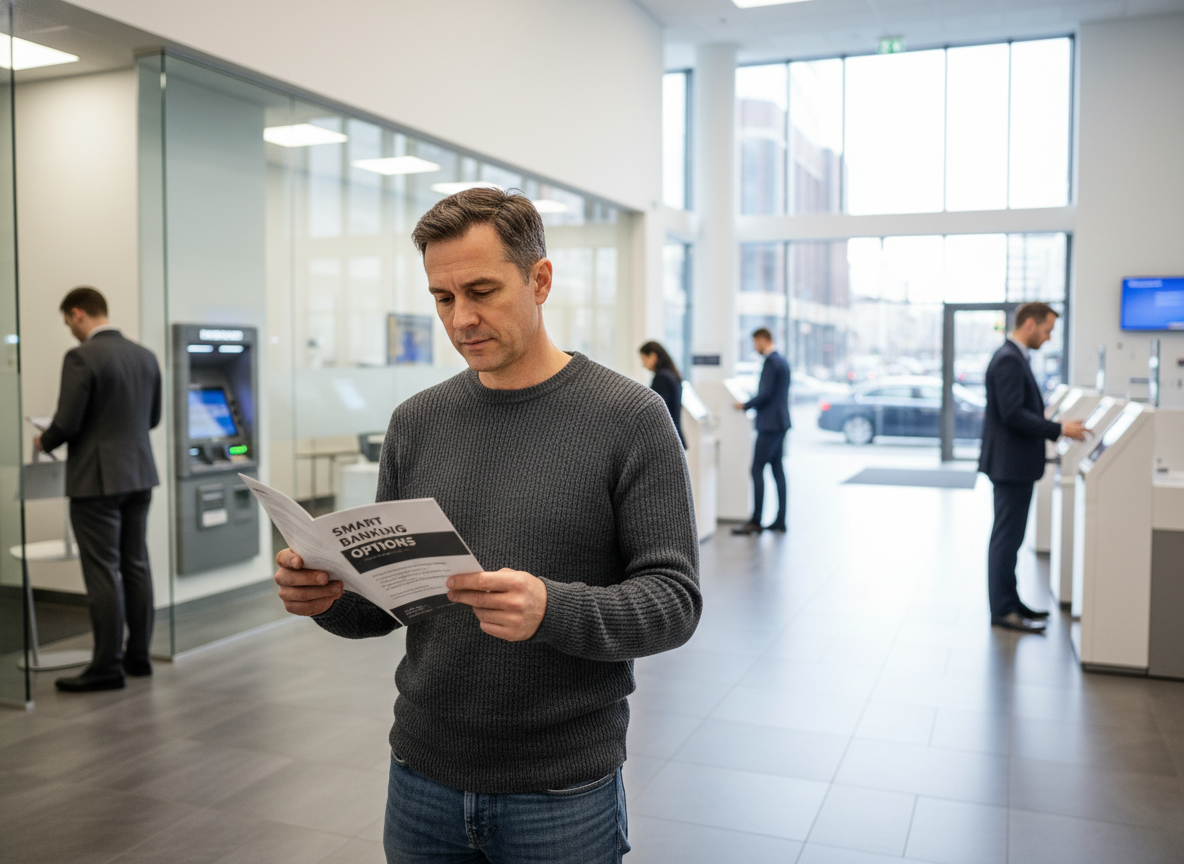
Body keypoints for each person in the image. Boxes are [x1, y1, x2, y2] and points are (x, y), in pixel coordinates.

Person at [273, 188, 701, 864]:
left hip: (562, 789)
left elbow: (674, 602)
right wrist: (326, 597)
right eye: (443, 299)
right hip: (421, 776)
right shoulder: (417, 422)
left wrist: (552, 607)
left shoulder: (630, 418)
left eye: (481, 290)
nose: (462, 318)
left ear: (540, 279)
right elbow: (385, 607)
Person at [36, 286, 162, 691]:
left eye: (68, 323)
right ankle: (139, 657)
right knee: (135, 564)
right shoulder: (145, 355)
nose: (70, 331)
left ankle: (107, 666)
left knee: (103, 571)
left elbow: (68, 422)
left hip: (96, 480)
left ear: (78, 314)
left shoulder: (81, 357)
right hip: (139, 474)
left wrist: (45, 440)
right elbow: (153, 418)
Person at [979, 302, 1086, 633]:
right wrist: (1058, 429)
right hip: (1010, 465)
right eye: (1047, 330)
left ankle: (1011, 602)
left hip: (1014, 465)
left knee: (1011, 538)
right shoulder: (1009, 360)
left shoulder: (1013, 357)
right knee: (1006, 539)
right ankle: (1002, 609)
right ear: (1029, 324)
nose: (1049, 337)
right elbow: (1012, 414)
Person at [731, 328, 791, 535]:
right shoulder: (781, 361)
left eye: (755, 342)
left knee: (757, 469)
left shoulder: (771, 362)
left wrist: (745, 405)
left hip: (770, 425)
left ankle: (756, 520)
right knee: (777, 470)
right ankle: (780, 519)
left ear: (763, 340)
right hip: (780, 423)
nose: (755, 346)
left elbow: (765, 394)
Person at [639, 340, 685, 448]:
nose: (643, 365)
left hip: (666, 438)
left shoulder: (662, 377)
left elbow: (655, 409)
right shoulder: (672, 375)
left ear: (653, 356)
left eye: (644, 359)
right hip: (675, 434)